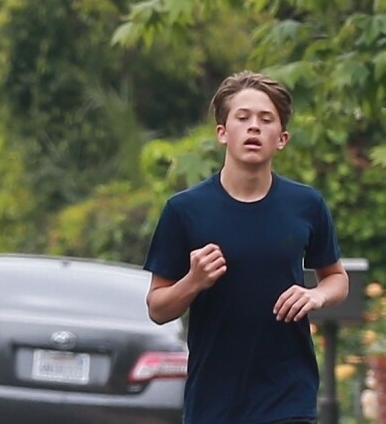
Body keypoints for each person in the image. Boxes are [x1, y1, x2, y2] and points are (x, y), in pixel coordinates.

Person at [144, 71, 349, 424]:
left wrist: (316, 296)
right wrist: (193, 281)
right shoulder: (184, 210)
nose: (254, 127)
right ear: (222, 132)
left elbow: (337, 278)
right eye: (243, 117)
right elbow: (158, 308)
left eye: (265, 119)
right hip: (214, 402)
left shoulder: (306, 205)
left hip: (289, 398)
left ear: (281, 138)